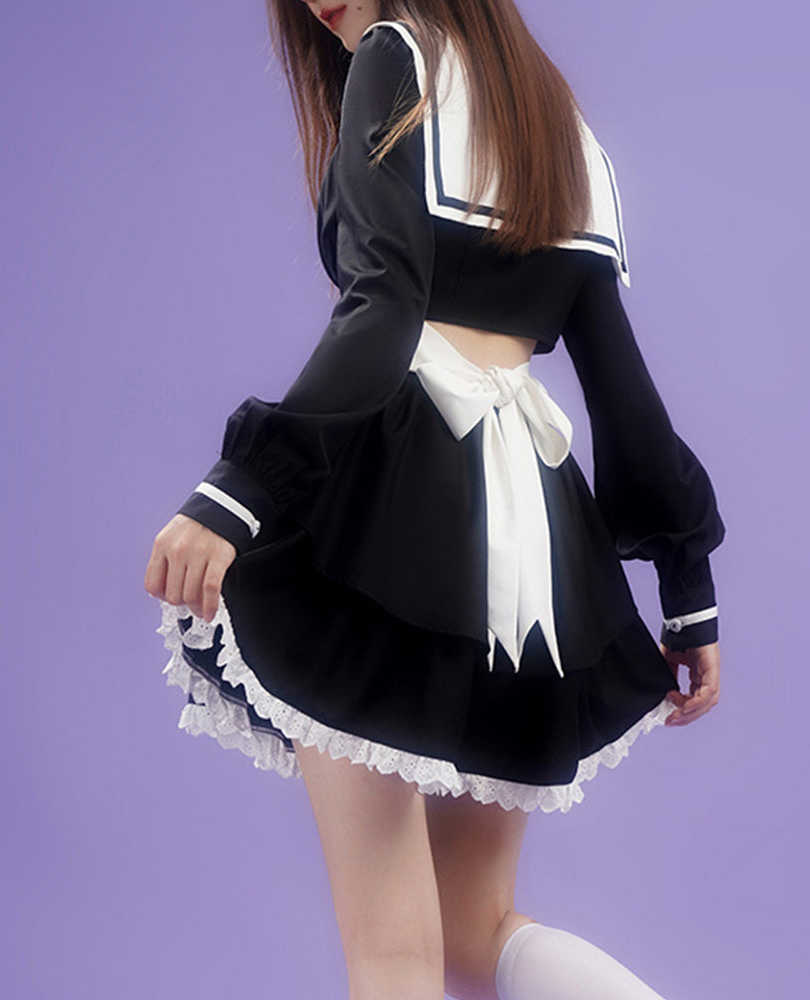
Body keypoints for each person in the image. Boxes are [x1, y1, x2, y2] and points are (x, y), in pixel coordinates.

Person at [144, 2, 726, 998]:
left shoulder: (393, 57)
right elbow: (620, 380)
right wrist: (688, 588)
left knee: (395, 948)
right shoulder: (554, 117)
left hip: (397, 498)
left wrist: (238, 489)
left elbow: (384, 306)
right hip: (534, 529)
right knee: (472, 929)